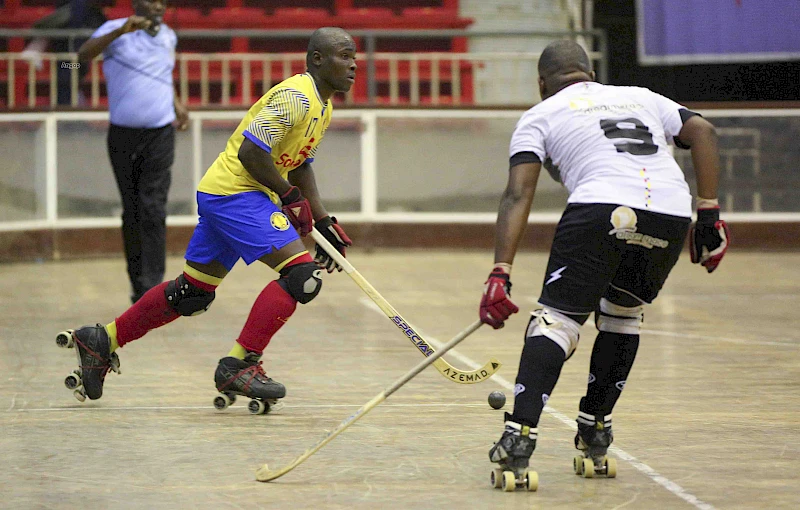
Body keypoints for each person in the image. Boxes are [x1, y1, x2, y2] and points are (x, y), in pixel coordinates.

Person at [60, 27, 357, 412]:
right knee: (303, 276)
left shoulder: (166, 38)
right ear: (317, 59)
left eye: (355, 57)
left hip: (180, 148)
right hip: (213, 180)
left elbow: (299, 164)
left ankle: (102, 339)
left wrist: (321, 220)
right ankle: (241, 364)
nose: (353, 64)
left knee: (193, 294)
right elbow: (74, 60)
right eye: (345, 56)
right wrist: (289, 198)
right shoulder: (113, 36)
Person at [478, 40, 729, 484]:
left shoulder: (540, 114)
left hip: (603, 207)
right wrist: (708, 211)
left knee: (557, 321)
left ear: (542, 83)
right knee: (623, 316)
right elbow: (704, 133)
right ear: (589, 72)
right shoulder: (641, 96)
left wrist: (502, 270)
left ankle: (520, 436)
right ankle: (595, 431)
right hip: (670, 211)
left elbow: (519, 193)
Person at [77, 0, 189, 304]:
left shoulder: (168, 35)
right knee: (133, 209)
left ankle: (153, 287)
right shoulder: (113, 29)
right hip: (123, 135)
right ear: (136, 3)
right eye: (151, 1)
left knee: (153, 206)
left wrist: (176, 104)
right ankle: (138, 282)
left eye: (162, 2)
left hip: (160, 132)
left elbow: (163, 75)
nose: (157, 6)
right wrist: (119, 32)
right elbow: (76, 61)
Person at [20, 0, 106, 105]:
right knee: (67, 80)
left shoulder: (84, 9)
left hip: (74, 60)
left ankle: (70, 109)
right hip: (69, 61)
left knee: (70, 79)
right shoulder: (77, 8)